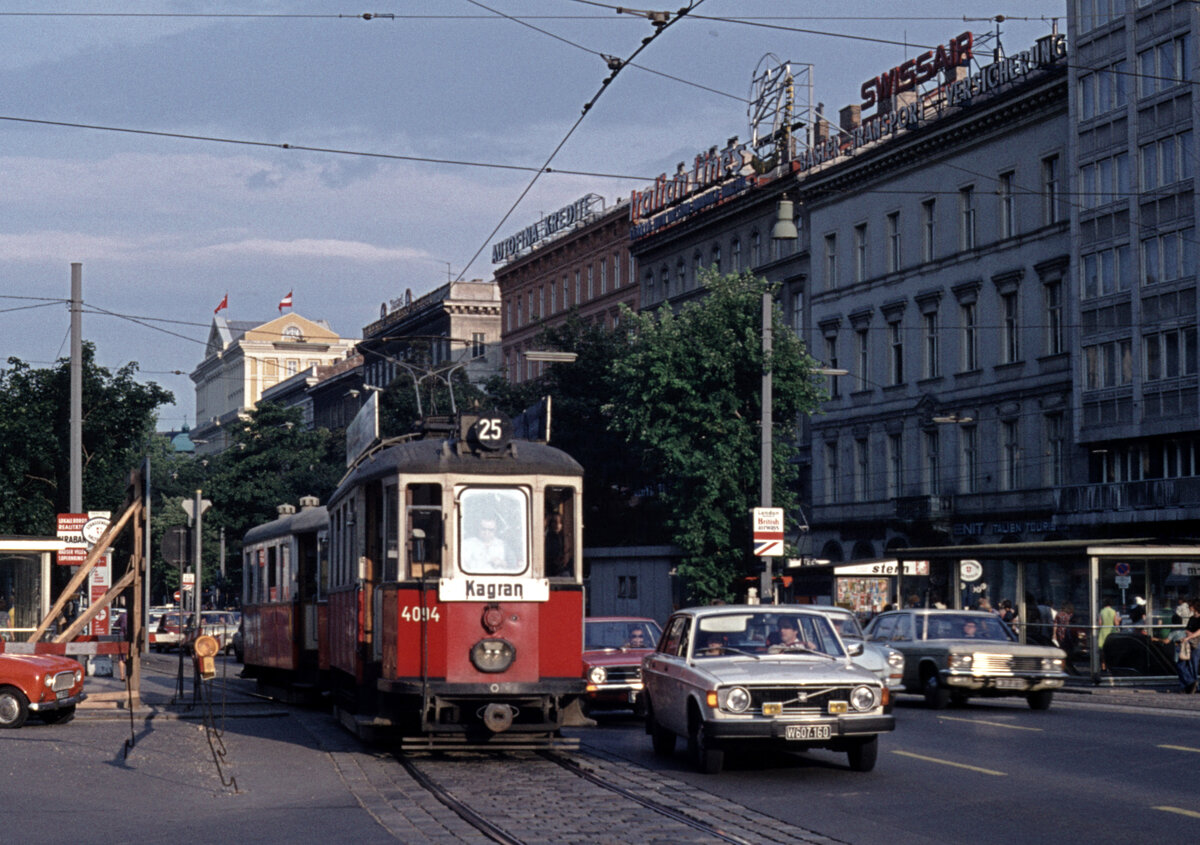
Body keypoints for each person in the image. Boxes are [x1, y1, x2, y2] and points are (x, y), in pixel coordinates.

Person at [544, 511, 570, 577]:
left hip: (561, 568)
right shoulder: (548, 538)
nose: (557, 525)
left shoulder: (564, 537)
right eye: (555, 522)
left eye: (560, 523)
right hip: (550, 570)